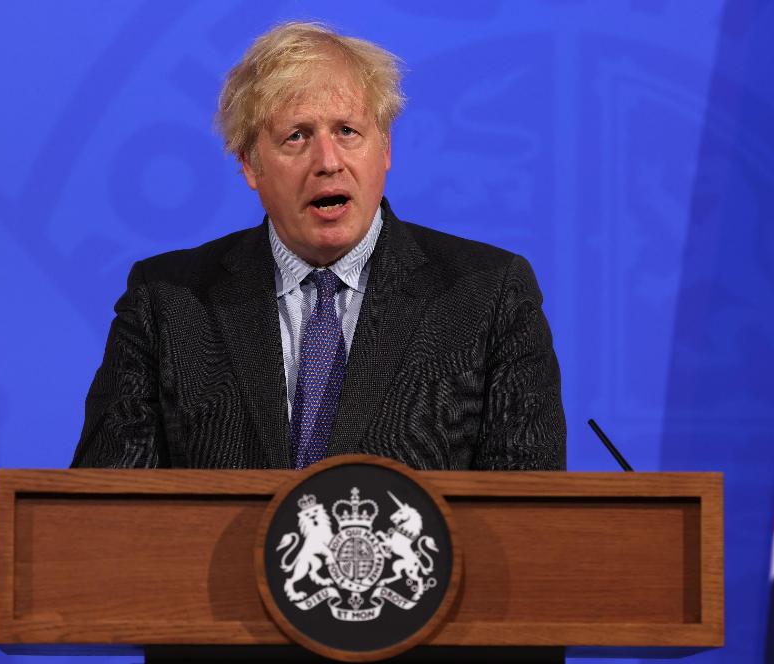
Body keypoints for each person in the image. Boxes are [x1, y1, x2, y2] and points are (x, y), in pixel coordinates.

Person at [71, 22, 566, 471]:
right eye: (296, 137)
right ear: (249, 164)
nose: (328, 161)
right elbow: (106, 511)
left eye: (347, 131)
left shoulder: (489, 294)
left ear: (386, 148)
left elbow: (528, 517)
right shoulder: (167, 303)